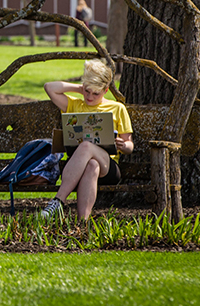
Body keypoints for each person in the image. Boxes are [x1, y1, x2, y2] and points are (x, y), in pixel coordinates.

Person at [40, 59, 133, 220]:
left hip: (109, 166)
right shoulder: (75, 105)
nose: (89, 96)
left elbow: (130, 145)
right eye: (87, 91)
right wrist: (80, 88)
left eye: (95, 93)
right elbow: (49, 87)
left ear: (105, 90)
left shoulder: (117, 108)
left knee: (86, 147)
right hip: (80, 165)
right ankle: (83, 222)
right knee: (92, 164)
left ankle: (58, 201)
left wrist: (123, 145)